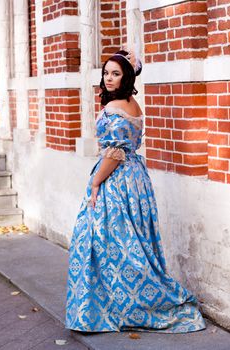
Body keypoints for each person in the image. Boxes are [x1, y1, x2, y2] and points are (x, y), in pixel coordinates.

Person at [65, 50, 206, 333]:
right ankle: (121, 303)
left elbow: (115, 153)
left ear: (127, 76)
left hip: (115, 181)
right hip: (135, 179)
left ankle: (110, 308)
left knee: (103, 243)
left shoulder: (117, 106)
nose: (109, 78)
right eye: (106, 73)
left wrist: (95, 184)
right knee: (130, 243)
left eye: (116, 73)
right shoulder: (131, 103)